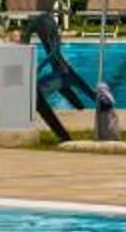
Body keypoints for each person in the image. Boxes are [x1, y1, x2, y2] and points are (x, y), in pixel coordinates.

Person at [20, 9, 98, 143]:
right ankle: (78, 111)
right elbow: (28, 43)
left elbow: (53, 51)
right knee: (79, 89)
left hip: (62, 72)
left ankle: (66, 134)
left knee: (41, 95)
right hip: (62, 71)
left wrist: (39, 67)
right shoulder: (39, 25)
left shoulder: (43, 26)